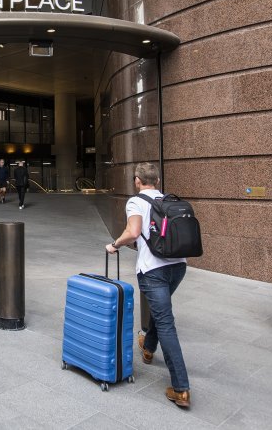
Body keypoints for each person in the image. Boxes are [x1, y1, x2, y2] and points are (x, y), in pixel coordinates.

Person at [105, 162, 191, 408]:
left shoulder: (136, 201)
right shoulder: (168, 199)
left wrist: (114, 244)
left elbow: (133, 232)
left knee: (165, 321)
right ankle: (148, 346)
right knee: (160, 311)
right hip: (178, 266)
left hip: (153, 270)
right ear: (157, 180)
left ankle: (181, 387)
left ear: (137, 180)